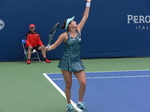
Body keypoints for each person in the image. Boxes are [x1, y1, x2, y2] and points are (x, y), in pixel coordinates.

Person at [47, 0, 91, 111]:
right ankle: (69, 104)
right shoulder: (64, 35)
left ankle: (80, 102)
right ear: (69, 25)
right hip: (66, 62)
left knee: (83, 83)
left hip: (76, 62)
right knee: (69, 85)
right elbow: (54, 46)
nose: (75, 21)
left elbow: (85, 16)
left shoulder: (79, 30)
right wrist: (48, 48)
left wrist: (88, 3)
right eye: (73, 21)